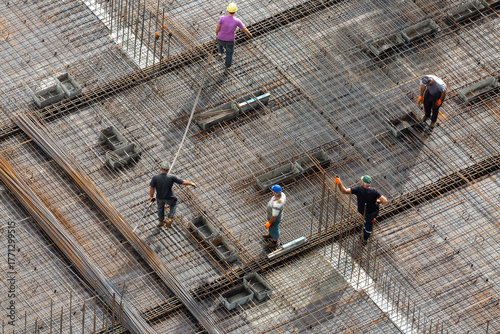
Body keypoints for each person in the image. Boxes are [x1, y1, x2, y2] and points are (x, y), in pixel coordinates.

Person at [335, 175, 387, 244]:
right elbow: (385, 201)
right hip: (374, 211)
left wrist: (339, 182)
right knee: (369, 220)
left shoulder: (358, 189)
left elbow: (344, 191)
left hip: (365, 212)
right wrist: (378, 201)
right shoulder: (374, 191)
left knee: (368, 226)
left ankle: (365, 238)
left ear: (362, 183)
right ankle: (371, 221)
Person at [149, 161, 196, 228]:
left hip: (160, 197)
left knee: (160, 208)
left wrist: (151, 197)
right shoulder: (171, 177)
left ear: (161, 168)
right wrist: (191, 183)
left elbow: (152, 189)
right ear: (168, 169)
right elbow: (182, 182)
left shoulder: (155, 178)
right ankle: (170, 218)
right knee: (173, 205)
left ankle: (161, 222)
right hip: (169, 197)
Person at [215, 2, 252, 70]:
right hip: (230, 41)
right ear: (235, 12)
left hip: (220, 38)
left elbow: (218, 27)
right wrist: (249, 33)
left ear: (227, 11)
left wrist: (217, 33)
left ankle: (220, 53)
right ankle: (228, 66)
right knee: (229, 53)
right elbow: (243, 28)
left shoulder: (222, 18)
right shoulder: (237, 21)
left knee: (220, 42)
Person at [263, 184, 287, 250]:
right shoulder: (282, 194)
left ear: (274, 192)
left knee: (275, 229)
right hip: (274, 215)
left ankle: (274, 242)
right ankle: (271, 234)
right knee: (272, 229)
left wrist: (269, 223)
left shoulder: (277, 205)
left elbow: (274, 217)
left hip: (274, 219)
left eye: (273, 190)